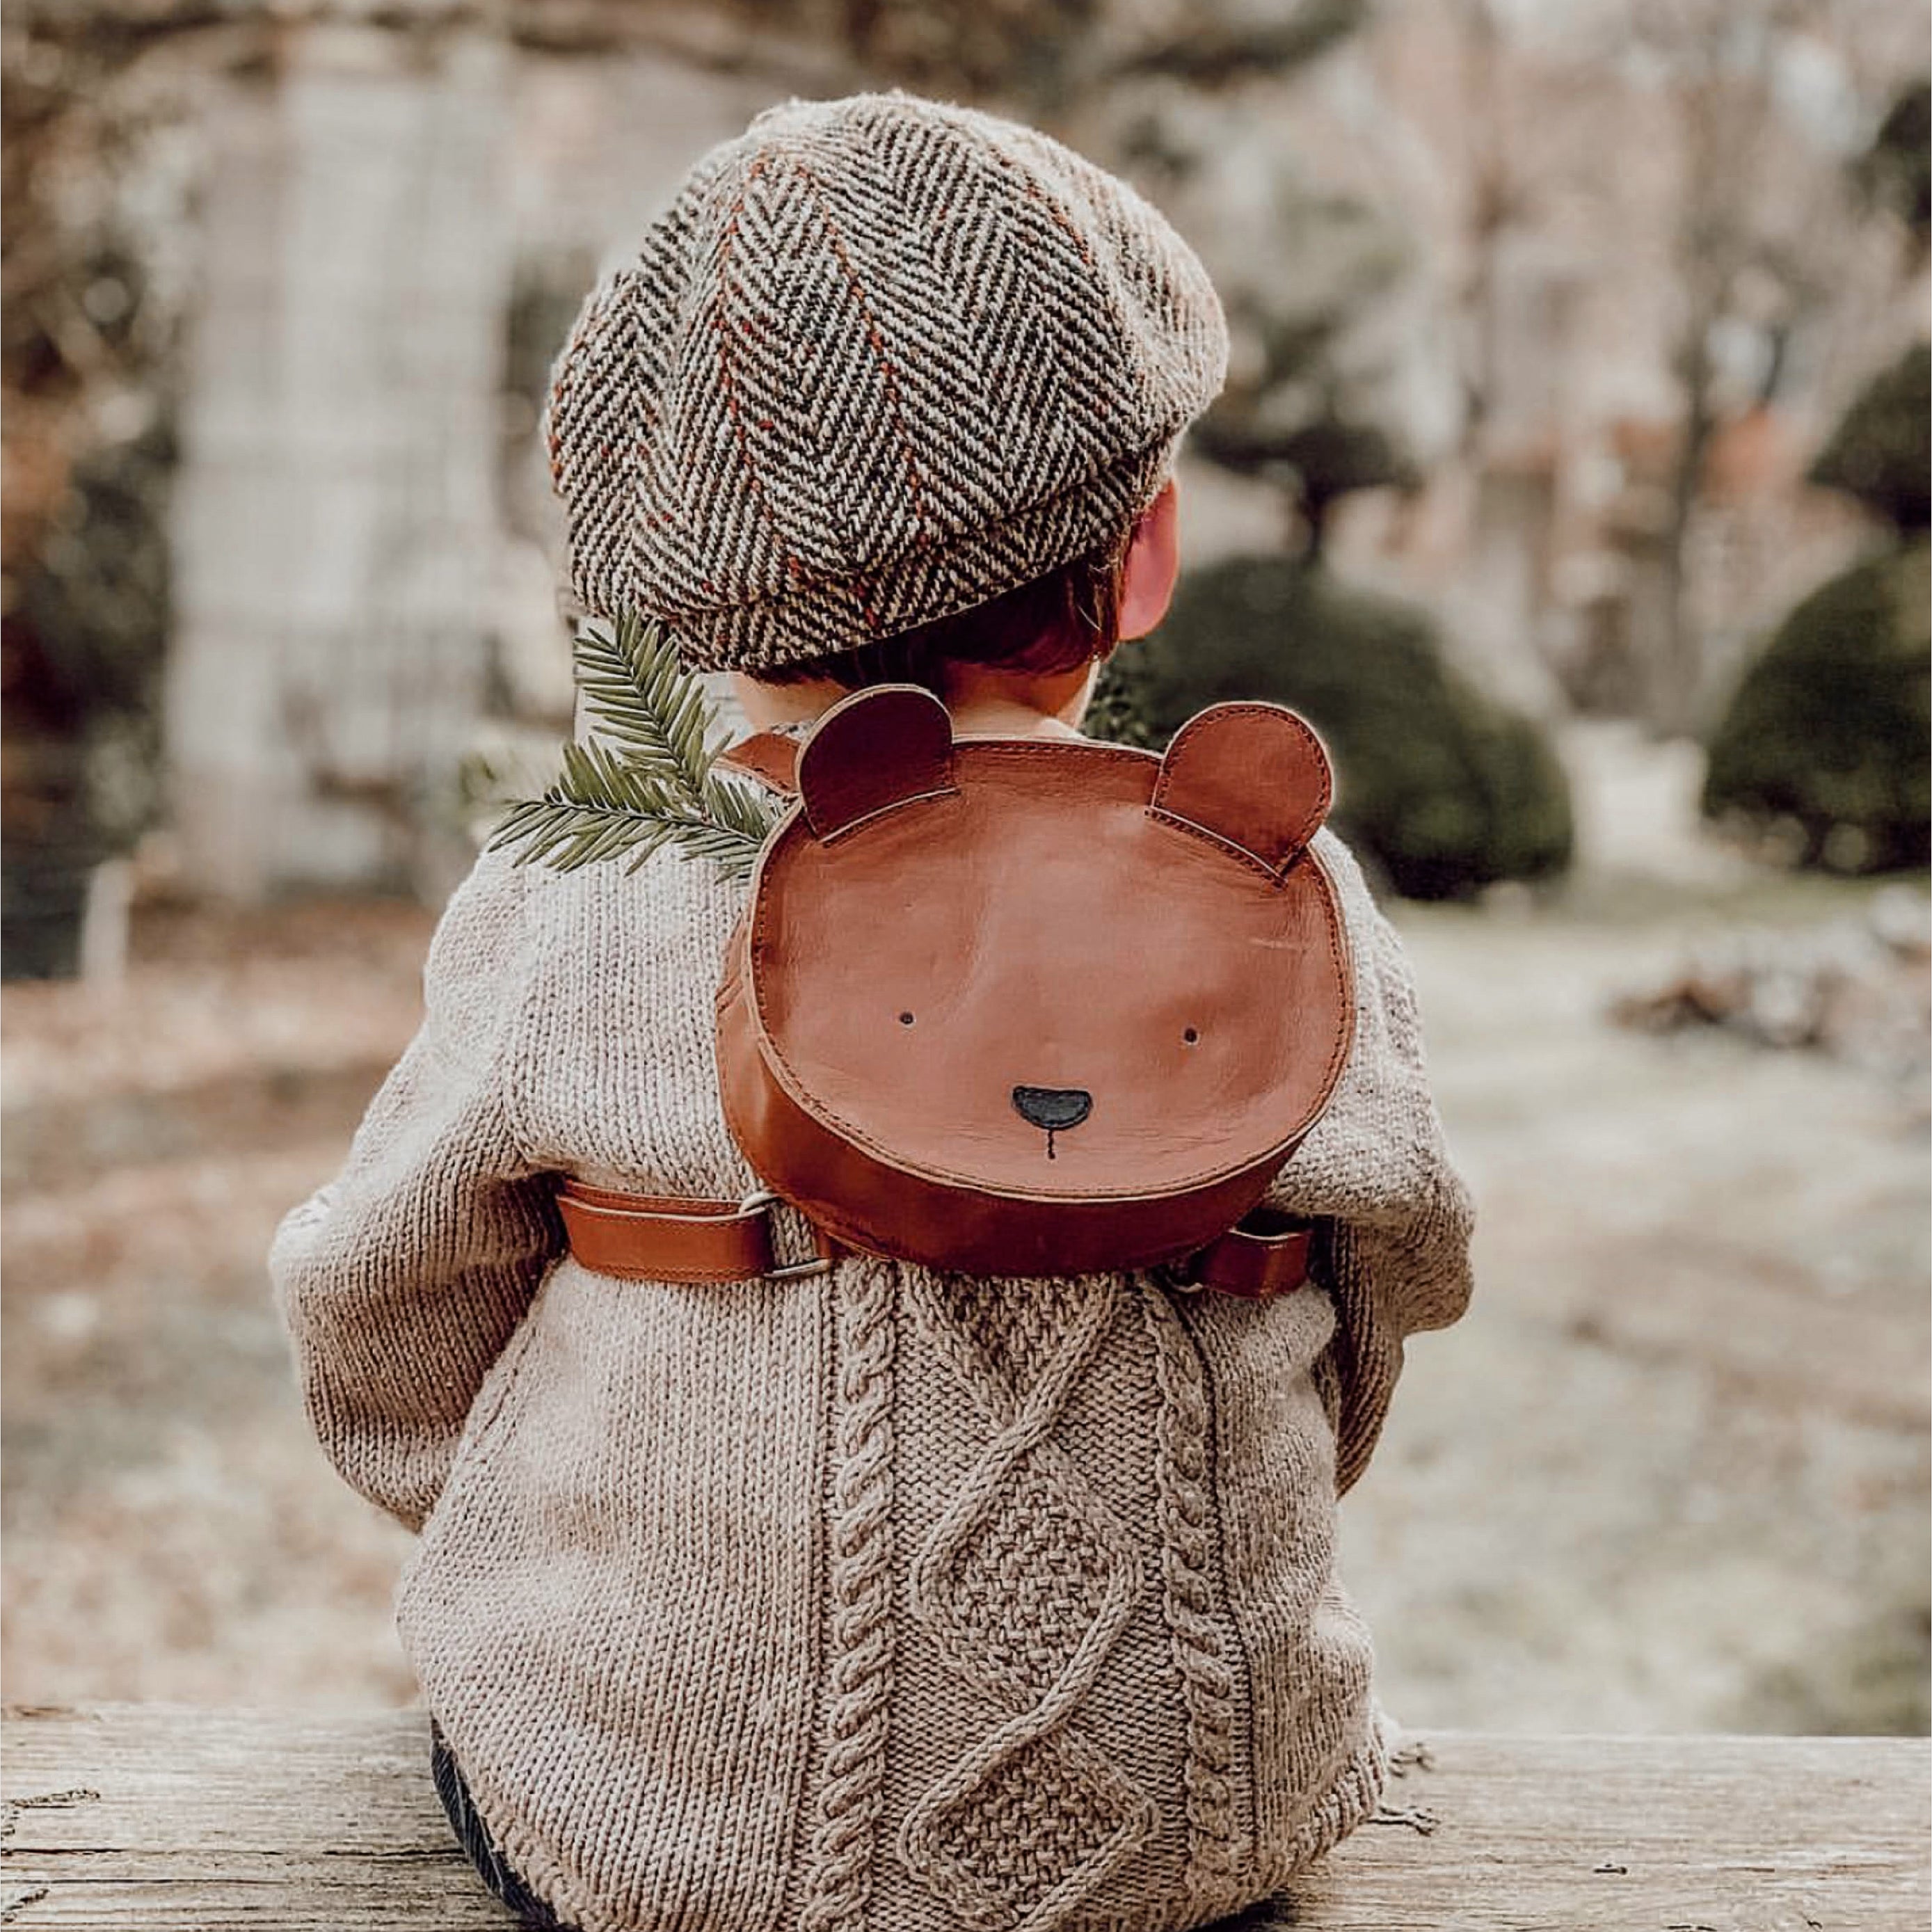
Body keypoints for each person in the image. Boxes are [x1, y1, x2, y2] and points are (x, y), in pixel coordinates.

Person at [272, 91, 1473, 1932]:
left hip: (647, 1824)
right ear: (1144, 557)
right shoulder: (1277, 889)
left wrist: (581, 1536)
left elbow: (380, 1313)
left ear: (671, 607)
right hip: (1197, 1836)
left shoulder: (577, 888)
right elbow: (1395, 1286)